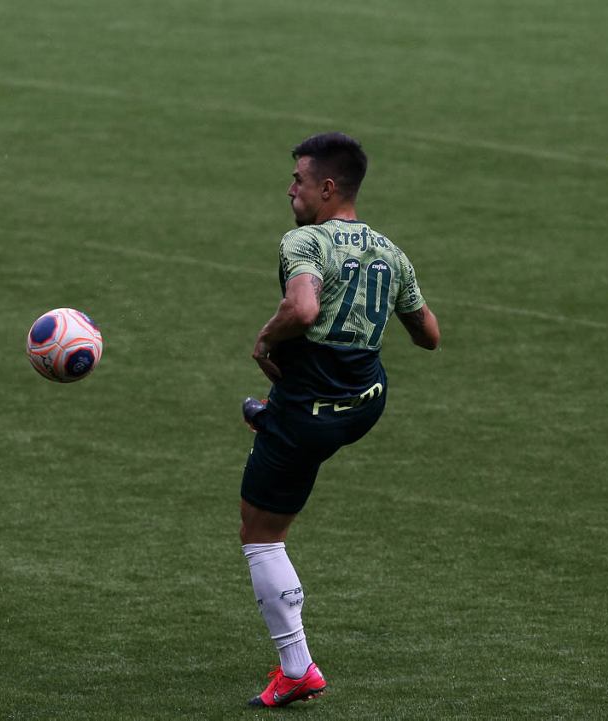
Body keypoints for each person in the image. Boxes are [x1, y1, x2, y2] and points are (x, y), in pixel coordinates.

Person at [240, 133, 439, 706]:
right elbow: (429, 336)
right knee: (306, 395)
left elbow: (302, 309)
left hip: (311, 412)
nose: (290, 190)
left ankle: (297, 669)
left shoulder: (305, 241)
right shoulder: (391, 252)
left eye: (298, 180)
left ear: (327, 188)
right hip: (366, 400)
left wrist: (264, 340)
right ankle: (274, 414)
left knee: (260, 534)